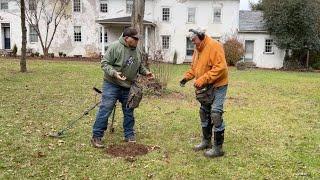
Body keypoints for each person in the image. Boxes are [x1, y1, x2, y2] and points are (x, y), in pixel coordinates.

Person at [91, 27, 154, 148]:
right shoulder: (115, 47)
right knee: (105, 109)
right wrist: (114, 73)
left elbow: (139, 66)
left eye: (138, 39)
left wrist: (146, 72)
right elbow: (104, 63)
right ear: (127, 38)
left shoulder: (137, 50)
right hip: (112, 84)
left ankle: (129, 134)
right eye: (135, 39)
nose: (137, 41)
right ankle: (96, 136)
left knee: (129, 110)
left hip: (128, 86)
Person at [180, 28, 229, 158]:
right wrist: (186, 77)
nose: (193, 44)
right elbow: (195, 68)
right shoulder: (198, 49)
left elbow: (221, 68)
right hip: (205, 87)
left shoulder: (215, 46)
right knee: (204, 112)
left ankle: (218, 148)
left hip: (218, 85)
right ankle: (206, 141)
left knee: (215, 113)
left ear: (202, 37)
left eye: (195, 41)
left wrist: (203, 79)